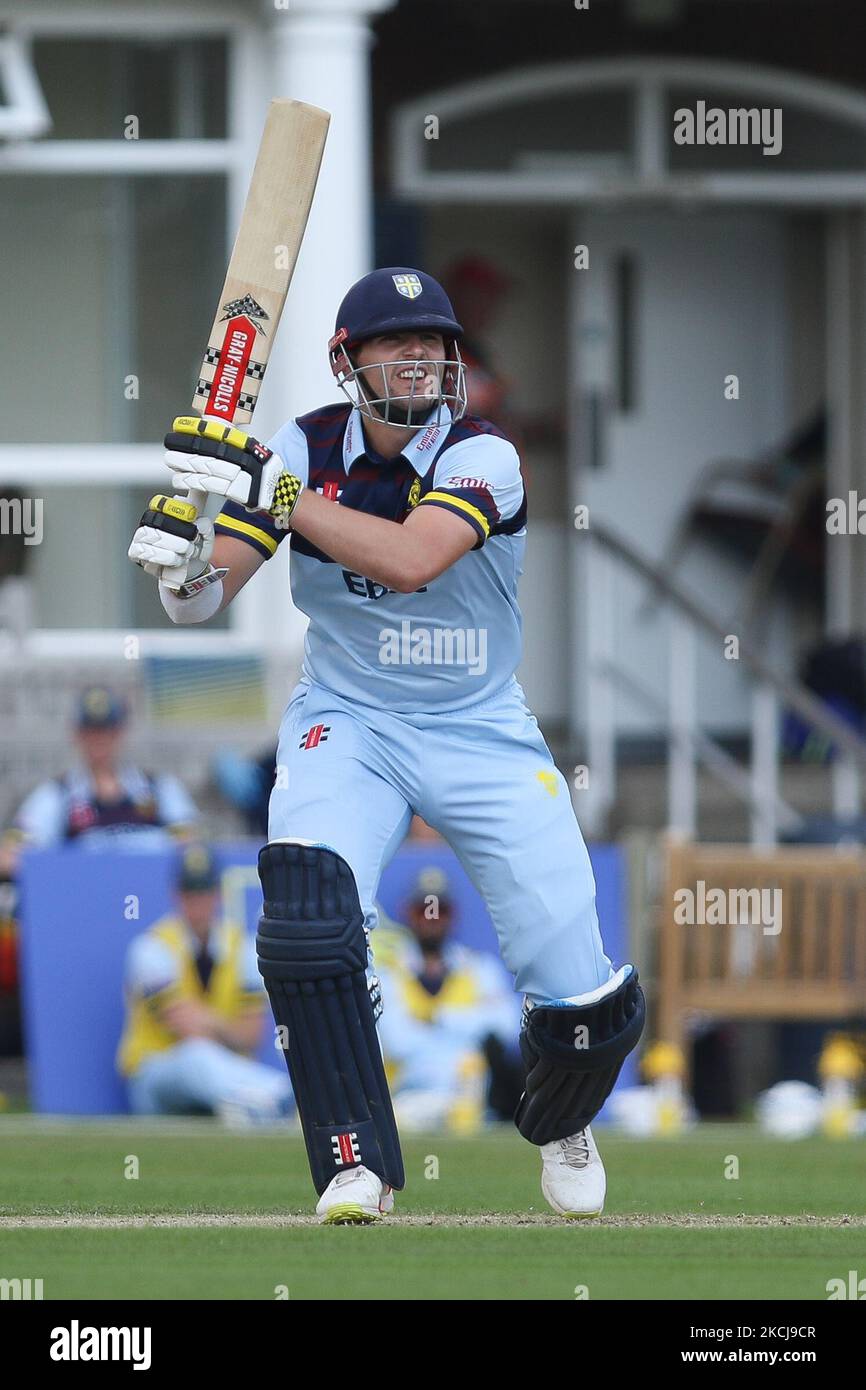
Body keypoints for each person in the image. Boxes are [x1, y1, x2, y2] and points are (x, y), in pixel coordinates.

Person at [128, 265, 644, 1223]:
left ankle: (564, 1120)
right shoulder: (301, 446)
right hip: (350, 717)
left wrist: (277, 493)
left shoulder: (484, 454)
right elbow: (204, 601)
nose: (422, 357)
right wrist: (181, 559)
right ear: (345, 362)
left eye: (436, 343)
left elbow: (410, 562)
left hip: (480, 724)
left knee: (584, 1002)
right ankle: (354, 1163)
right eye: (397, 343)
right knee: (308, 919)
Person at [118, 842, 291, 1123]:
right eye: (190, 892)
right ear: (176, 895)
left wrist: (207, 1020)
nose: (197, 902)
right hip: (154, 1077)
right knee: (196, 1054)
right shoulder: (151, 948)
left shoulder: (243, 947)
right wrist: (224, 1027)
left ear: (218, 894)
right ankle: (276, 1096)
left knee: (203, 1055)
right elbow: (185, 1028)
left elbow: (251, 1035)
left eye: (204, 891)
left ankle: (254, 1104)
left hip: (221, 1075)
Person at [376, 866, 524, 1131]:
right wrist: (469, 1029)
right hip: (404, 1097)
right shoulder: (387, 973)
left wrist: (435, 1018)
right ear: (408, 914)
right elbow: (396, 1041)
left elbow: (508, 1027)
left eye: (440, 911)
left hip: (472, 1103)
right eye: (423, 910)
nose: (431, 918)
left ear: (452, 916)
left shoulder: (479, 969)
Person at [5, 685, 199, 859]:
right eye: (91, 731)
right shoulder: (57, 795)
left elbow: (191, 845)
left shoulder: (159, 788)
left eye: (107, 731)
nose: (99, 740)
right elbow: (13, 851)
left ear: (121, 732)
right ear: (77, 734)